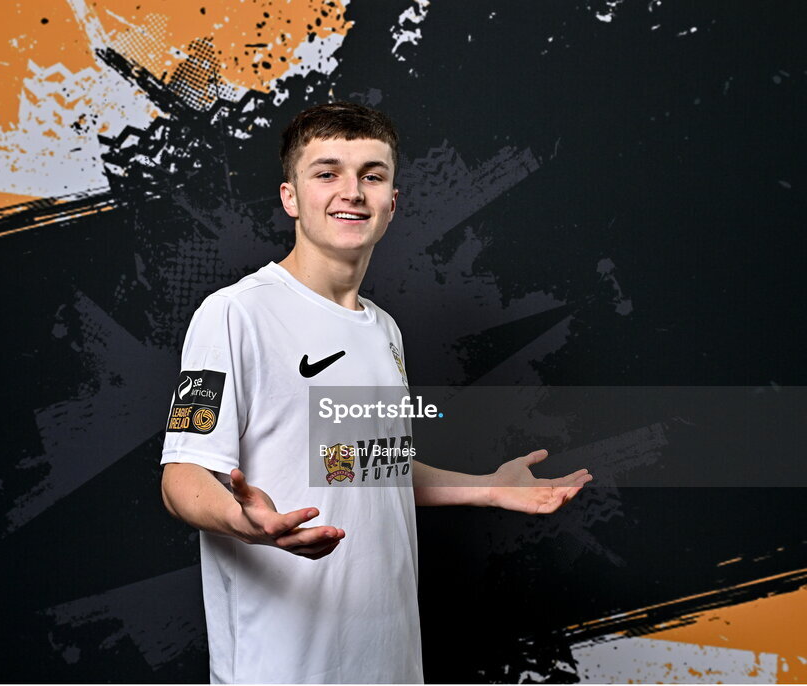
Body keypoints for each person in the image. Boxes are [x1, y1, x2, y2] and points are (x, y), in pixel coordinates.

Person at [160, 102, 592, 684]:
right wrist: (245, 523)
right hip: (284, 666)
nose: (352, 192)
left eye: (372, 175)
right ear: (291, 196)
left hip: (388, 660)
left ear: (393, 201)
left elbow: (366, 468)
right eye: (327, 172)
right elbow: (181, 477)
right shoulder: (235, 314)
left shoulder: (383, 329)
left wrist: (488, 488)